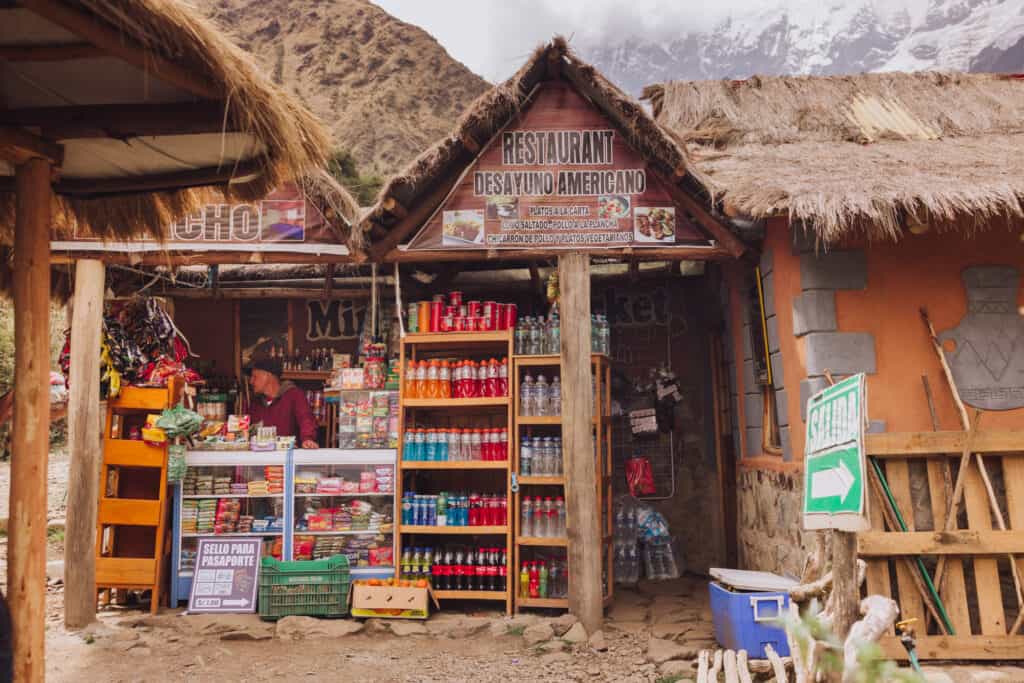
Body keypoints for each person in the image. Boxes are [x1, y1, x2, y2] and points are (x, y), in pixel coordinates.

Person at [245, 358, 318, 448]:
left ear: (267, 376)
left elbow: (306, 419)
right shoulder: (255, 402)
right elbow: (248, 431)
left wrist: (307, 439)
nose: (251, 381)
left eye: (254, 376)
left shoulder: (294, 395)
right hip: (261, 457)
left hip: (288, 457)